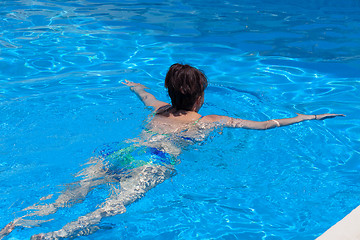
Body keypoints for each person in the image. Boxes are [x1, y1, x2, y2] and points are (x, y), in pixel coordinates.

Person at [0, 63, 344, 240]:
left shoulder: (158, 109)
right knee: (109, 207)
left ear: (169, 90)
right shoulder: (210, 119)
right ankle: (59, 235)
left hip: (119, 151)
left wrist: (135, 85)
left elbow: (144, 96)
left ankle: (19, 221)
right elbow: (265, 125)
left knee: (72, 192)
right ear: (200, 98)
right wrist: (305, 116)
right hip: (154, 161)